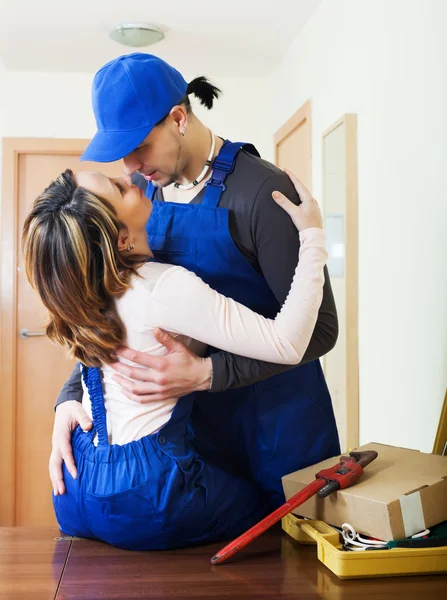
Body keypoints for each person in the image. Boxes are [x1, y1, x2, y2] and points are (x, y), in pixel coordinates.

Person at [53, 53, 340, 510]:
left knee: (288, 568)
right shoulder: (140, 196)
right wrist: (70, 398)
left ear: (178, 119)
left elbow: (322, 331)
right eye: (121, 153)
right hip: (190, 440)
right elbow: (113, 305)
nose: (129, 166)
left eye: (139, 146)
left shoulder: (263, 194)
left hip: (275, 422)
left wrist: (208, 374)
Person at [24, 166, 327, 550]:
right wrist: (313, 236)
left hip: (74, 482)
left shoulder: (83, 288)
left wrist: (66, 401)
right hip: (143, 493)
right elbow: (289, 343)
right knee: (266, 514)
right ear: (119, 239)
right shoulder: (164, 287)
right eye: (120, 189)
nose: (131, 179)